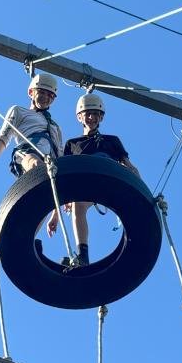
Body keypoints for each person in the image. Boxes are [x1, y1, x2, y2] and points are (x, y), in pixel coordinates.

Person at [48, 93, 140, 265]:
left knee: (126, 207)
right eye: (88, 114)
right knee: (77, 204)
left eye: (95, 114)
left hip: (111, 177)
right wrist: (55, 215)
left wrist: (140, 188)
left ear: (101, 117)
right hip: (87, 183)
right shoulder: (72, 144)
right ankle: (83, 256)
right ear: (79, 117)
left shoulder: (112, 141)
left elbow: (129, 165)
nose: (91, 117)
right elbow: (62, 179)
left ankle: (137, 241)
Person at [0, 72, 63, 182]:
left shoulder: (55, 127)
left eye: (50, 95)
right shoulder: (19, 111)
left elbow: (60, 151)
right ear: (31, 92)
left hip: (52, 160)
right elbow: (4, 137)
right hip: (28, 153)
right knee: (38, 165)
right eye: (42, 92)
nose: (46, 97)